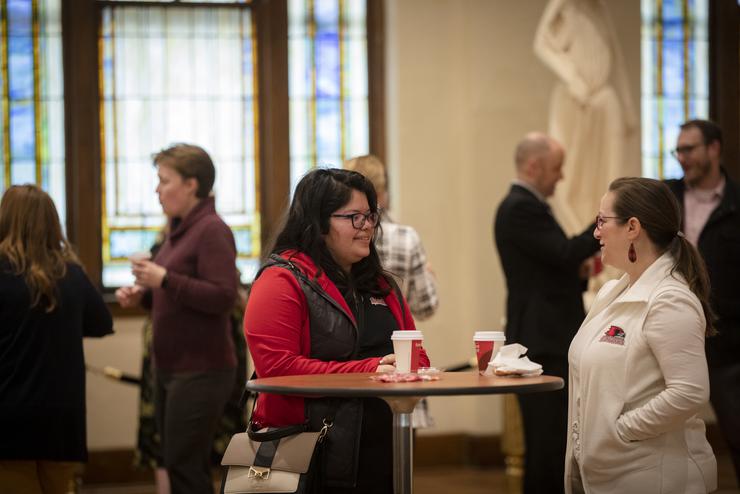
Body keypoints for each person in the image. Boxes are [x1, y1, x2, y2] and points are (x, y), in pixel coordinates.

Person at [244, 168, 430, 493]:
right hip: (306, 454)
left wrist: (412, 369)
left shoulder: (383, 285)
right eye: (354, 217)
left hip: (382, 445)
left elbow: (417, 355)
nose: (368, 226)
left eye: (371, 215)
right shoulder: (281, 280)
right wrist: (370, 369)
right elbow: (277, 370)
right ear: (318, 223)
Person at [566, 177, 717, 493]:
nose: (596, 232)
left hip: (653, 475)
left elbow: (689, 392)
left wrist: (620, 431)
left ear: (632, 227)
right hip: (608, 471)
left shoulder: (670, 299)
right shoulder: (612, 290)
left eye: (602, 221)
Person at [116, 143, 238, 494]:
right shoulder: (179, 230)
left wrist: (164, 279)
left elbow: (223, 295)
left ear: (191, 184)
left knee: (185, 468)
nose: (157, 189)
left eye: (164, 180)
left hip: (202, 369)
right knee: (177, 462)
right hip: (173, 367)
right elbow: (175, 295)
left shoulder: (211, 229)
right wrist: (144, 294)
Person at [493, 132, 599, 494]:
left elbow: (550, 266)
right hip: (543, 339)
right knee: (547, 442)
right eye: (557, 168)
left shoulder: (527, 206)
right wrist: (604, 222)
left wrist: (577, 271)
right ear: (534, 166)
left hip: (545, 332)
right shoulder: (521, 207)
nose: (562, 176)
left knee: (553, 440)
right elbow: (565, 253)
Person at [0, 184, 113, 492]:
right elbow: (102, 322)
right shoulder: (71, 274)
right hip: (62, 418)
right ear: (52, 225)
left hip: (9, 415)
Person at [665, 119, 740, 484]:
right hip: (670, 336)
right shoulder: (665, 198)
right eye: (678, 150)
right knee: (665, 438)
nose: (682, 158)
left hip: (728, 345)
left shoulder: (737, 204)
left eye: (689, 149)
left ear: (713, 149)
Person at [343, 154, 438, 321]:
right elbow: (426, 307)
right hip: (394, 336)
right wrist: (428, 275)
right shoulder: (405, 238)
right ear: (382, 192)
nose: (366, 227)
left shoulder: (338, 235)